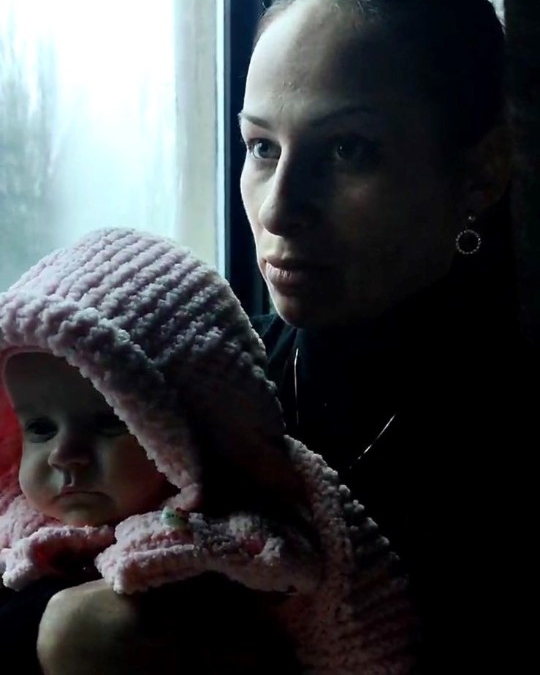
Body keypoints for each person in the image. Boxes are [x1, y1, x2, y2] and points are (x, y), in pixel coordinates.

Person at [239, 0, 534, 673]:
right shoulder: (220, 357)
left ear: (480, 171)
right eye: (261, 148)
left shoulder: (510, 444)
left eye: (346, 150)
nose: (278, 208)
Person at [0, 227, 417, 674]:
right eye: (41, 428)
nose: (65, 455)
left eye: (110, 422)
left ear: (190, 433)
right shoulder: (16, 522)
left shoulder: (229, 542)